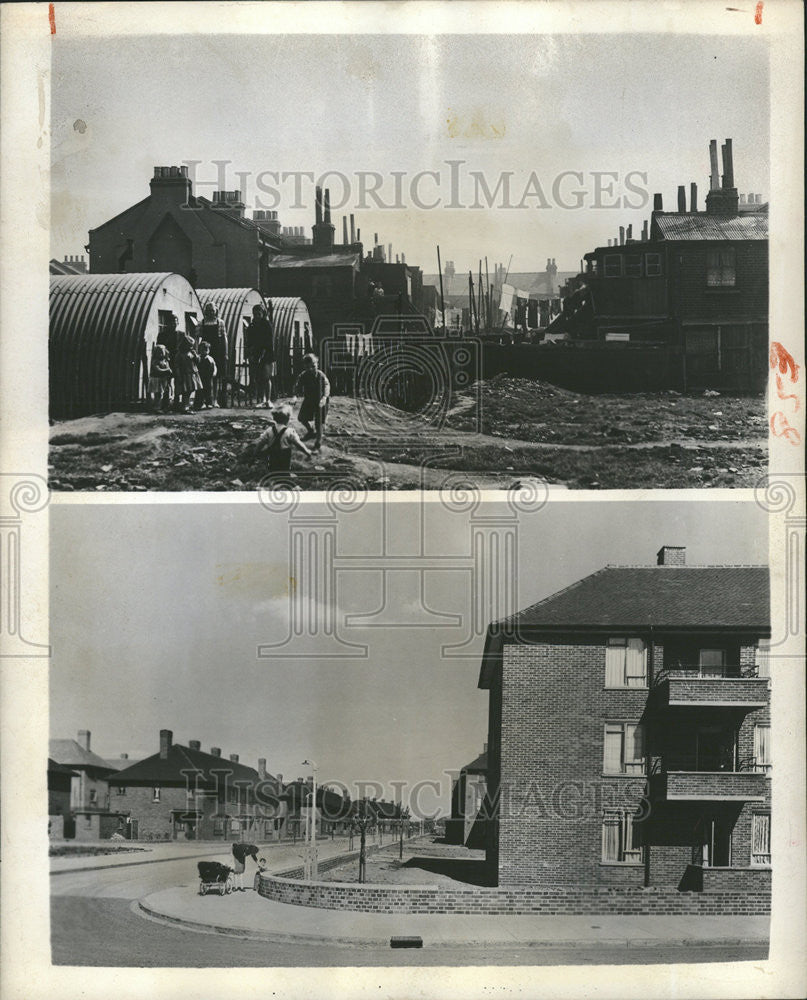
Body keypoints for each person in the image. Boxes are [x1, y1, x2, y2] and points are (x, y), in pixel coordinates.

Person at [253, 404, 313, 473]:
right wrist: (307, 452)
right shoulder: (290, 431)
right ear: (287, 419)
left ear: (274, 418)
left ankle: (272, 478)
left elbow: (261, 442)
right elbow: (298, 444)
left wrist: (255, 453)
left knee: (272, 469)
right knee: (284, 470)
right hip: (284, 455)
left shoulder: (269, 430)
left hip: (273, 455)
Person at [293, 353, 330, 450]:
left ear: (317, 364)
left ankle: (318, 441)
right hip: (309, 400)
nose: (310, 369)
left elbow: (327, 386)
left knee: (319, 422)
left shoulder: (321, 375)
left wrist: (325, 398)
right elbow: (297, 386)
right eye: (307, 367)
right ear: (304, 367)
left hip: (321, 401)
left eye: (313, 366)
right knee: (301, 418)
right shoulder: (303, 375)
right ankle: (310, 431)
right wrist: (295, 396)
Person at [199, 302, 228, 406]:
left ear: (216, 311)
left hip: (217, 351)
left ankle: (214, 400)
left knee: (215, 377)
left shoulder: (220, 322)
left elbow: (224, 338)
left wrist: (225, 353)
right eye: (209, 310)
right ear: (206, 311)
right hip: (205, 352)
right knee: (203, 376)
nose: (211, 312)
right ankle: (204, 400)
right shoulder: (202, 323)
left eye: (213, 310)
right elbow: (197, 336)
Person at [246, 303, 275, 408]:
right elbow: (249, 341)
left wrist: (263, 353)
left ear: (263, 314)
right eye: (255, 314)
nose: (257, 316)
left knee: (266, 377)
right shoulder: (252, 326)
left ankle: (268, 400)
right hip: (255, 354)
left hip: (266, 354)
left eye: (259, 314)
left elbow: (269, 341)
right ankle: (261, 399)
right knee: (258, 378)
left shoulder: (267, 325)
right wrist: (250, 353)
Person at [173, 333, 202, 413]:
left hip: (192, 374)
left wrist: (196, 355)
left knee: (190, 390)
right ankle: (184, 407)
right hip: (185, 374)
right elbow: (177, 365)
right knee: (185, 391)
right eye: (189, 345)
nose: (190, 347)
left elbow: (198, 361)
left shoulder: (192, 353)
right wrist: (178, 375)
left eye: (191, 345)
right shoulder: (180, 354)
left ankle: (186, 405)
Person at [147, 344, 173, 412]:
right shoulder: (156, 361)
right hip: (157, 380)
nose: (161, 354)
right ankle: (156, 407)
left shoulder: (165, 361)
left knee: (163, 394)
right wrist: (166, 370)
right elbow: (157, 370)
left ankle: (164, 406)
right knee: (158, 394)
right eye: (159, 353)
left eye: (162, 352)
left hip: (163, 380)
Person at [196, 341, 217, 410]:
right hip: (200, 376)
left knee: (208, 390)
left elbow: (214, 367)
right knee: (200, 390)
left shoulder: (210, 359)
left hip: (208, 377)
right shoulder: (198, 358)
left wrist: (214, 373)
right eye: (202, 350)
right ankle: (199, 403)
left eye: (206, 350)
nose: (204, 351)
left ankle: (209, 403)